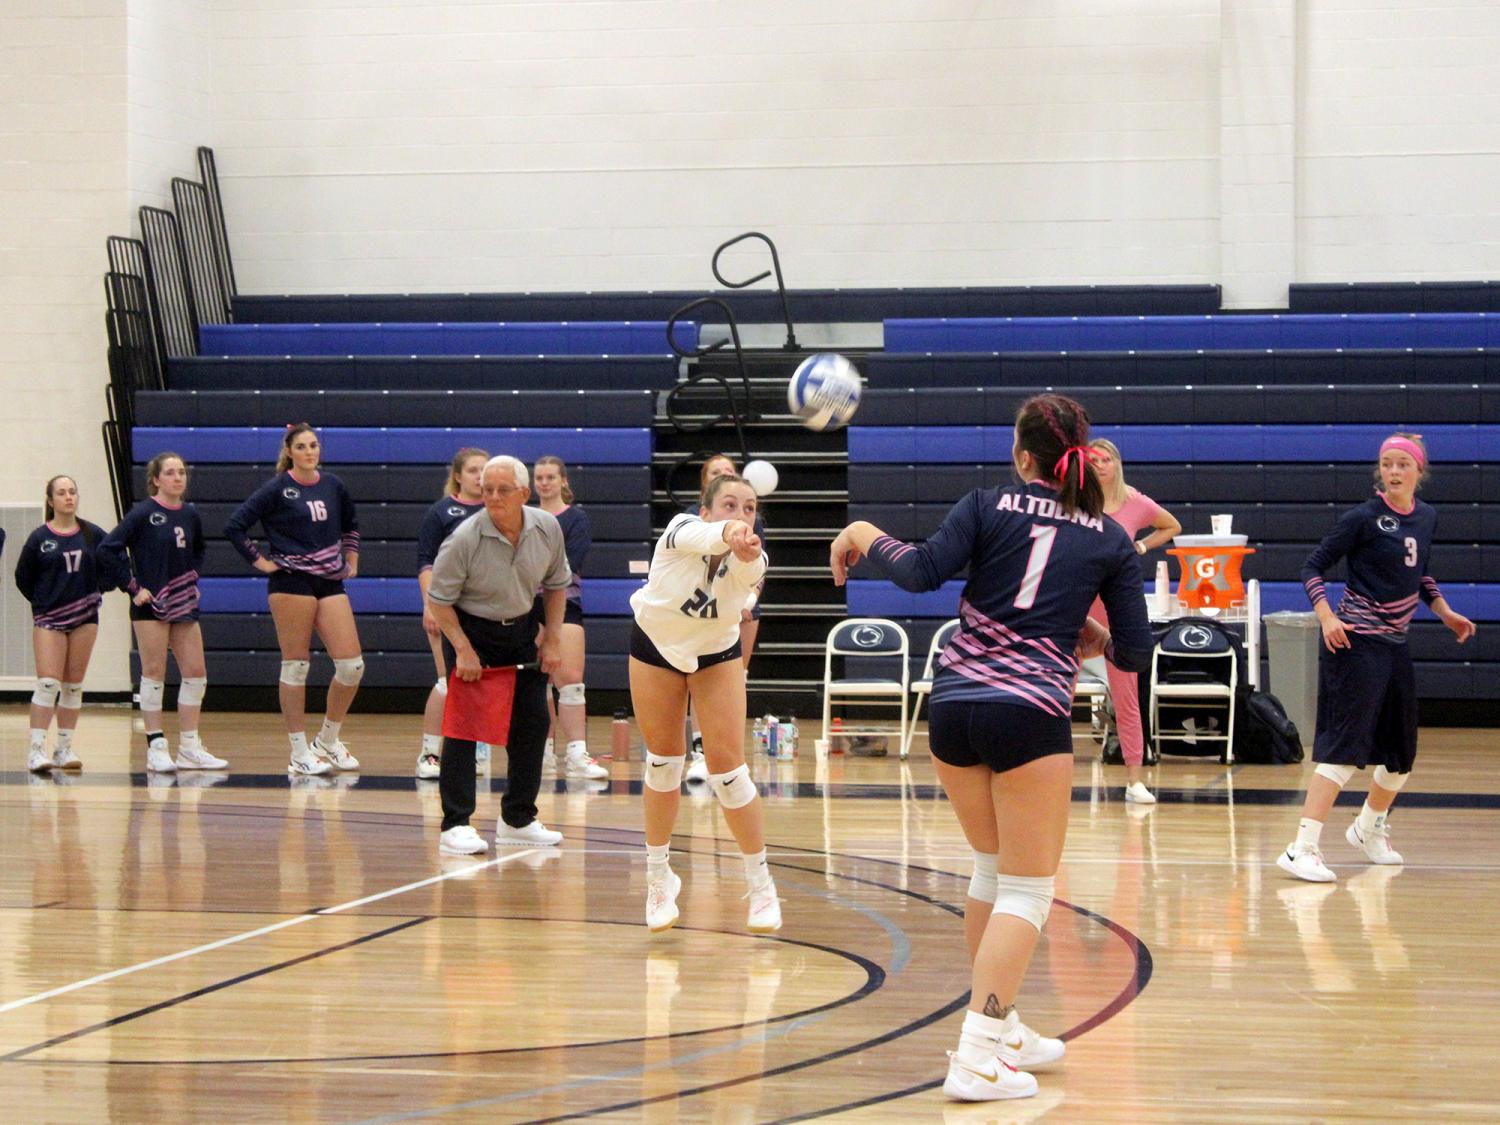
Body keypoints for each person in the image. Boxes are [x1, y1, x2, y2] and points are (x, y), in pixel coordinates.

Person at [829, 393, 1154, 1103]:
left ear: (1021, 455)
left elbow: (917, 572)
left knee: (989, 867)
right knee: (1030, 888)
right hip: (1027, 716)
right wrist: (1090, 635)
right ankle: (976, 1052)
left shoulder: (983, 503)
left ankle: (1002, 1028)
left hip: (951, 709)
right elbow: (1134, 650)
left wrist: (860, 528)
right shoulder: (1108, 539)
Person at [1277, 433, 1475, 883]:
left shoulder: (1426, 518)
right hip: (1355, 644)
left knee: (1402, 753)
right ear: (1379, 472)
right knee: (1346, 749)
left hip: (1394, 646)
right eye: (1387, 464)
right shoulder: (1362, 518)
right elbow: (1312, 566)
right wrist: (1327, 616)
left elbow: (1421, 573)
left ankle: (1368, 828)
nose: (1393, 471)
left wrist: (1444, 613)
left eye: (1403, 464)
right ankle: (1300, 848)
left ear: (1418, 472)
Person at [633, 473, 780, 934]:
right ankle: (659, 877)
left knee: (729, 773)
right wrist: (727, 532)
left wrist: (743, 547)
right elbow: (707, 535)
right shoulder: (680, 531)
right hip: (657, 642)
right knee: (663, 763)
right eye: (730, 505)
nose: (741, 516)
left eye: (750, 508)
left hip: (716, 651)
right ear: (706, 511)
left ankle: (761, 884)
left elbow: (747, 568)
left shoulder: (754, 560)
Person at [426, 455, 570, 855]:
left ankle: (518, 819)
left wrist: (553, 639)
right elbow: (437, 601)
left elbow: (557, 585)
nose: (491, 497)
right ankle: (455, 823)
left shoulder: (546, 528)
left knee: (532, 724)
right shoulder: (465, 538)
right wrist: (463, 649)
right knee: (464, 728)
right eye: (486, 490)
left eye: (502, 490)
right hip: (472, 631)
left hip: (523, 629)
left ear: (524, 494)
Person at [223, 423, 363, 777]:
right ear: (289, 451)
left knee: (352, 666)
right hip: (290, 581)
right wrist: (262, 562)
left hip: (329, 580)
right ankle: (299, 751)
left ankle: (327, 740)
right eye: (301, 446)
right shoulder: (277, 488)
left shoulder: (333, 484)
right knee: (296, 665)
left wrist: (352, 559)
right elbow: (235, 527)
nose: (309, 451)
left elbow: (351, 524)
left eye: (314, 445)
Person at [98, 452, 227, 773]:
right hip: (151, 605)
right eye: (170, 473)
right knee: (154, 672)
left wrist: (192, 580)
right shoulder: (142, 513)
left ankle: (190, 747)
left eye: (181, 472)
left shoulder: (190, 515)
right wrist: (132, 587)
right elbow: (107, 549)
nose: (177, 478)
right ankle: (156, 746)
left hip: (183, 604)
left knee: (196, 673)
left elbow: (198, 552)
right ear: (156, 479)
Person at [1086, 438, 1181, 804]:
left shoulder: (1135, 503)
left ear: (1117, 463)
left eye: (1105, 458)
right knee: (1058, 688)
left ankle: (1134, 779)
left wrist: (1141, 546)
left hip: (1117, 608)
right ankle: (1048, 771)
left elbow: (1172, 526)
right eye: (1092, 460)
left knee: (1127, 694)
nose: (1099, 465)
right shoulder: (1077, 503)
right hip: (1078, 604)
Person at [15, 476, 110, 773]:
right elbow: (23, 577)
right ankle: (36, 750)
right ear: (50, 500)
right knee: (48, 683)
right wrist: (45, 602)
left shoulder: (93, 534)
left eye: (72, 492)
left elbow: (114, 564)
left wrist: (97, 590)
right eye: (61, 492)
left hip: (84, 618)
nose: (68, 497)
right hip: (50, 618)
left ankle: (64, 749)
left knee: (72, 686)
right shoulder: (39, 538)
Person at [683, 453, 768, 782]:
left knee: (735, 678)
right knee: (699, 678)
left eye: (729, 471)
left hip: (743, 606)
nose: (742, 514)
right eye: (716, 472)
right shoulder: (690, 522)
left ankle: (730, 752)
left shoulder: (752, 522)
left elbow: (761, 565)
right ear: (706, 484)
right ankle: (702, 751)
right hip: (701, 607)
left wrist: (749, 599)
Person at [414, 447, 489, 780]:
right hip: (447, 608)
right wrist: (431, 605)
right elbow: (425, 565)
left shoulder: (495, 511)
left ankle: (470, 753)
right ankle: (430, 754)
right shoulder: (442, 512)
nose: (480, 476)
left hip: (485, 610)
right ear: (458, 475)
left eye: (484, 470)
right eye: (473, 470)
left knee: (477, 684)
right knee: (448, 681)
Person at [532, 454, 606, 780]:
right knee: (538, 680)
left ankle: (577, 753)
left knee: (570, 679)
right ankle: (542, 752)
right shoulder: (526, 517)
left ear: (563, 480)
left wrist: (535, 573)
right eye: (539, 477)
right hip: (527, 606)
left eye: (550, 477)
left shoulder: (576, 518)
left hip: (566, 604)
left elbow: (570, 561)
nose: (544, 482)